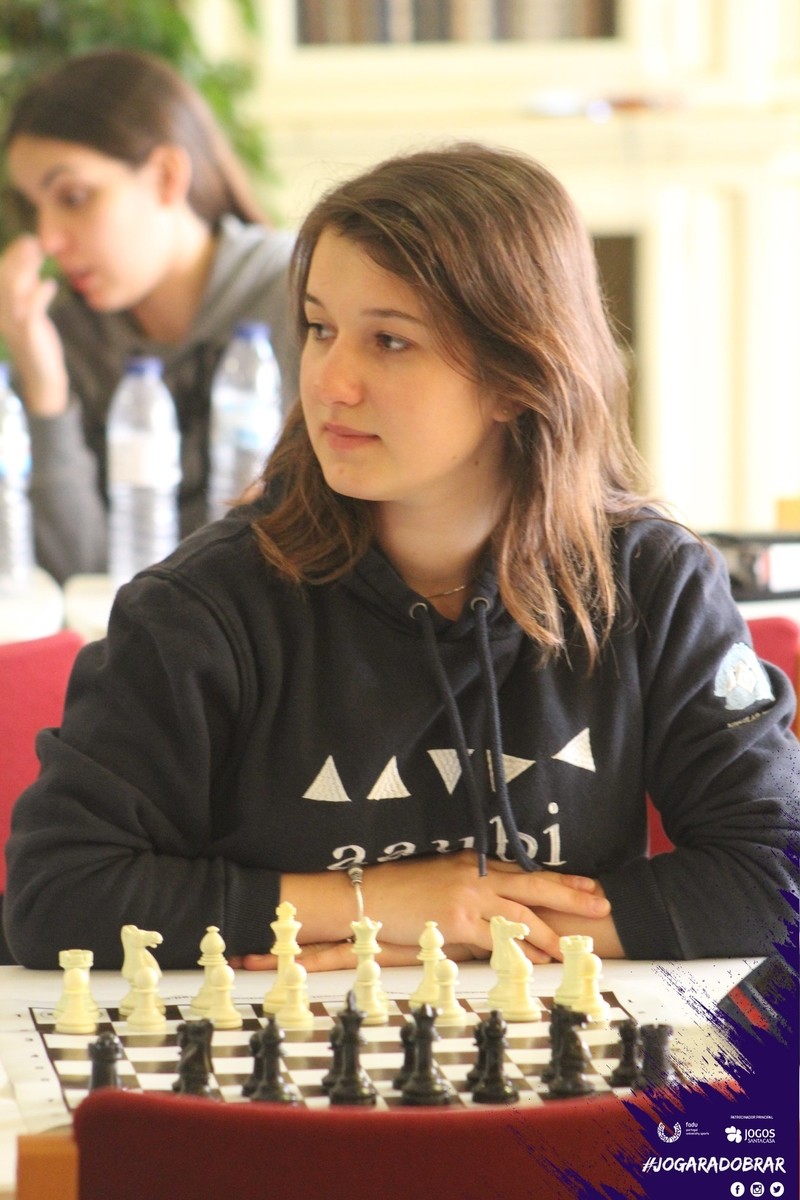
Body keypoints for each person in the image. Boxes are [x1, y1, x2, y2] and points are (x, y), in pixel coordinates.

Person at [4, 143, 798, 972]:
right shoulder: (201, 608)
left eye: (389, 340)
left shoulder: (652, 584)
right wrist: (371, 906)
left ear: (518, 374)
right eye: (320, 329)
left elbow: (777, 874)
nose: (329, 382)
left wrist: (468, 926)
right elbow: (57, 896)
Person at [0, 48, 298, 583]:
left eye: (74, 197)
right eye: (33, 208)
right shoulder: (68, 337)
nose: (48, 239)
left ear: (165, 175)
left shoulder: (301, 298)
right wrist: (46, 390)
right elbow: (84, 576)